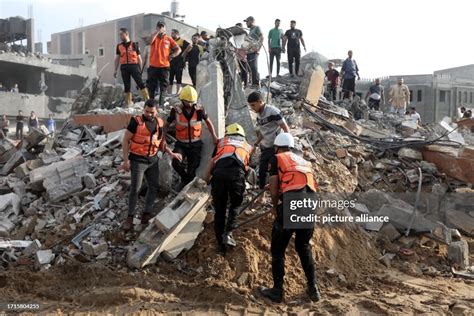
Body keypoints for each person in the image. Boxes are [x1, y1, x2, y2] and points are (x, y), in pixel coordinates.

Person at [258, 133, 321, 303]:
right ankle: (313, 288)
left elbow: (273, 189)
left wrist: (274, 206)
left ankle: (277, 291)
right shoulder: (303, 161)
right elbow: (298, 182)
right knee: (303, 246)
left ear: (277, 147)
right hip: (309, 206)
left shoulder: (277, 158)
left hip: (290, 205)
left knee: (278, 250)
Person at [120, 99, 182, 231]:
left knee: (153, 186)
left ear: (156, 111)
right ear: (143, 109)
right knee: (135, 189)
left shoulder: (160, 123)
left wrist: (171, 153)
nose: (149, 114)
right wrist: (126, 161)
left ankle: (146, 214)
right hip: (138, 160)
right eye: (147, 111)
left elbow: (161, 143)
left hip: (152, 160)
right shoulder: (135, 122)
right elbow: (125, 140)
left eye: (152, 112)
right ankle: (130, 217)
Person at [204, 123, 252, 252]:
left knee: (220, 210)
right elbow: (246, 168)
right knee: (235, 206)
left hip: (219, 175)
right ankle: (228, 234)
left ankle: (220, 243)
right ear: (242, 135)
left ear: (227, 134)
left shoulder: (222, 142)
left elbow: (213, 162)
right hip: (237, 175)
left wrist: (206, 179)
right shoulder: (247, 146)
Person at [165, 86, 218, 188]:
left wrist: (214, 137)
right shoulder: (175, 110)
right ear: (182, 100)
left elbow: (208, 123)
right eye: (187, 102)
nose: (190, 104)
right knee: (176, 163)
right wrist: (162, 138)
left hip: (195, 145)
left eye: (191, 102)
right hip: (181, 144)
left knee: (192, 168)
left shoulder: (199, 110)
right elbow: (166, 125)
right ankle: (185, 180)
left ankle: (186, 185)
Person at [247, 91, 289, 189]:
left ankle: (277, 191)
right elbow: (263, 131)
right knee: (262, 171)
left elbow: (285, 127)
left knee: (273, 171)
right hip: (265, 146)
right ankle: (263, 194)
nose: (252, 108)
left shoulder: (273, 112)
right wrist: (256, 144)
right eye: (251, 106)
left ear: (260, 101)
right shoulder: (259, 116)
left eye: (253, 105)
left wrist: (287, 146)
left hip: (275, 146)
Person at [147, 21, 181, 106]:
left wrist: (173, 55)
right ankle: (151, 105)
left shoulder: (169, 39)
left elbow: (178, 49)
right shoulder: (154, 37)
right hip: (153, 66)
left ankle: (161, 105)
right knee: (151, 87)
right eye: (159, 26)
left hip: (164, 67)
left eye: (162, 26)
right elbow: (149, 41)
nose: (161, 28)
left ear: (165, 28)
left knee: (163, 87)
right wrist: (157, 32)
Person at [113, 28, 149, 106]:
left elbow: (139, 58)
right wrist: (115, 70)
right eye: (119, 34)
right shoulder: (119, 46)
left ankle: (147, 100)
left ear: (126, 34)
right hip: (124, 67)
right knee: (127, 86)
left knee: (140, 83)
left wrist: (140, 70)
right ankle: (129, 103)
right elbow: (117, 59)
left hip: (134, 66)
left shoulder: (135, 44)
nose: (120, 36)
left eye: (121, 34)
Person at [168, 29, 191, 95]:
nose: (171, 35)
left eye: (172, 33)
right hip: (171, 62)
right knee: (170, 78)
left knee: (178, 77)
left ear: (177, 34)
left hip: (179, 62)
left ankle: (178, 92)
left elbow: (190, 45)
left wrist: (184, 53)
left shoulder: (182, 41)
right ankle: (169, 92)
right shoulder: (171, 42)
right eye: (171, 33)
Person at [244, 16, 263, 87]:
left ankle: (256, 83)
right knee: (250, 68)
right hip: (249, 52)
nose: (246, 23)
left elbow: (262, 37)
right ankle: (252, 83)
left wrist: (258, 48)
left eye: (247, 21)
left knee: (254, 67)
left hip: (254, 51)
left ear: (251, 21)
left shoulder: (257, 28)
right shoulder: (250, 31)